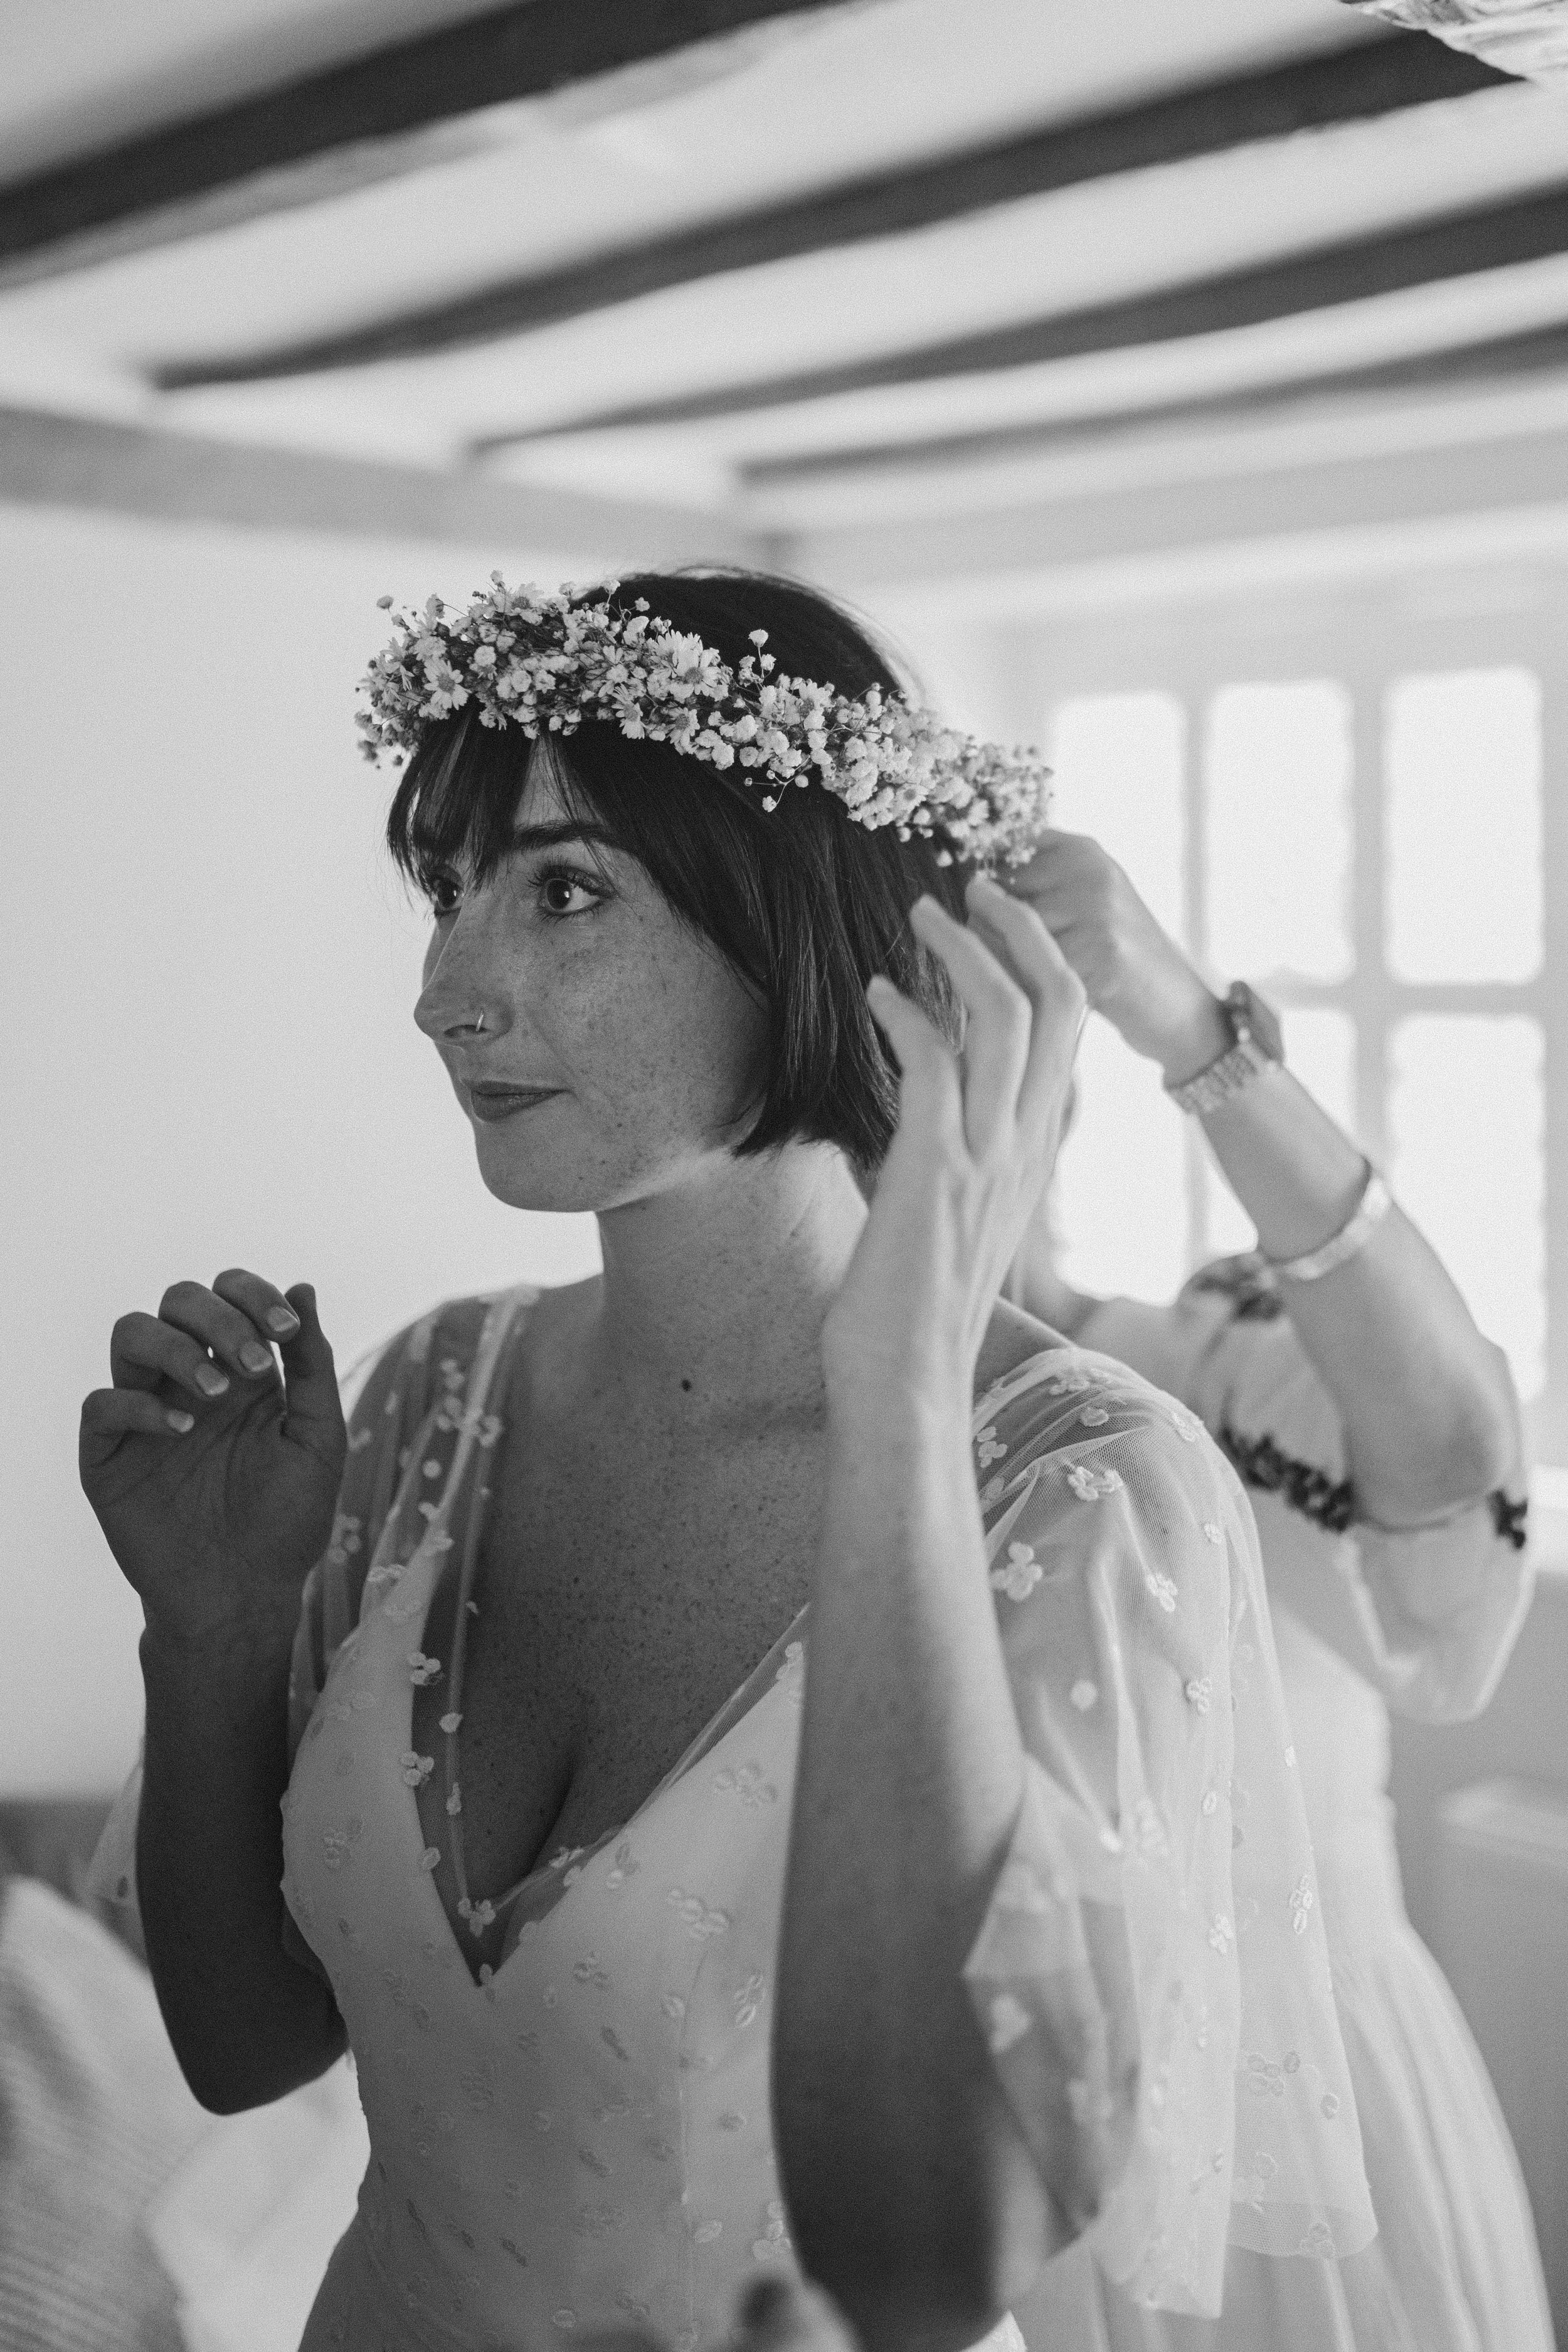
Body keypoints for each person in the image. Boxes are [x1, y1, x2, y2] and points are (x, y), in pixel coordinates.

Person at [83, 571, 1372, 2352]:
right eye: (450, 891)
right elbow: (247, 2050)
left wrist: (901, 1406)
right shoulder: (430, 1391)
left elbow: (923, 2265)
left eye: (563, 891)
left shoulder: (1075, 1487)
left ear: (803, 933)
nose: (448, 993)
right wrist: (210, 1630)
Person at [997, 828, 1550, 2351]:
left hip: (1300, 2122)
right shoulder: (789, 1426)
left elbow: (1446, 1448)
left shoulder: (1205, 1372)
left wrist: (1187, 1027)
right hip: (969, 2155)